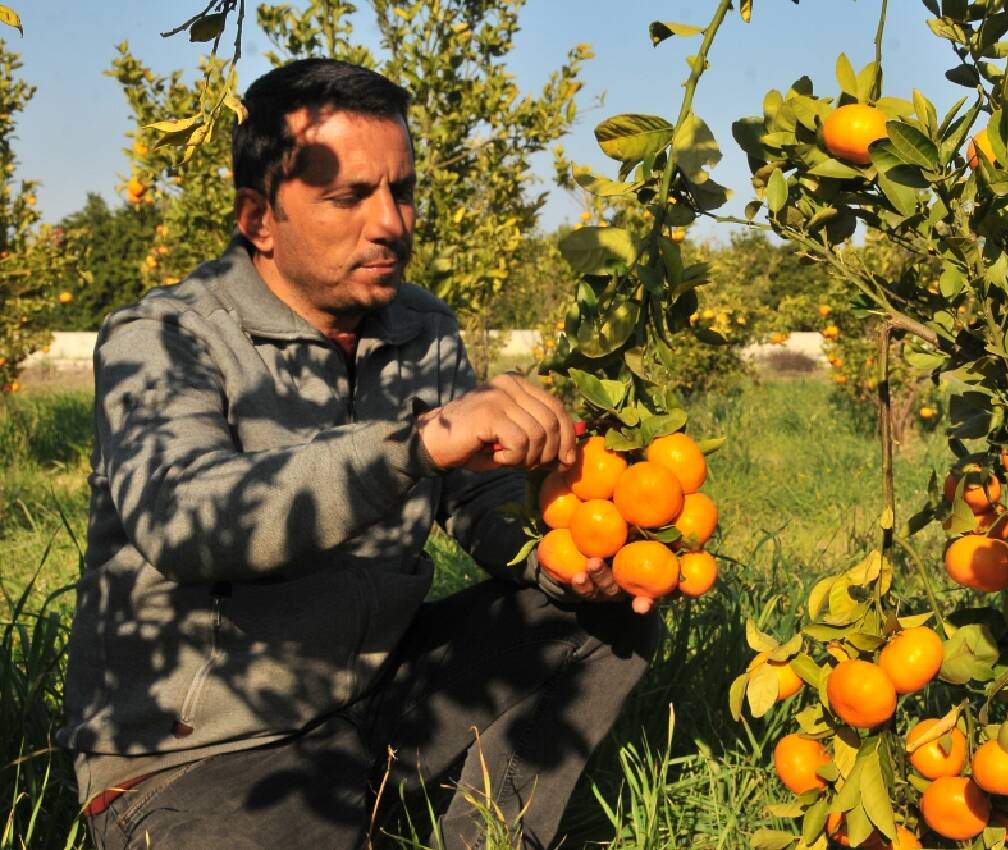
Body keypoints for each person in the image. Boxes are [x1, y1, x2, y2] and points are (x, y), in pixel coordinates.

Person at [57, 58, 660, 850]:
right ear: (259, 218)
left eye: (401, 192)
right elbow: (187, 520)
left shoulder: (420, 329)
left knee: (605, 618)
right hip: (188, 759)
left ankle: (494, 838)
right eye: (349, 197)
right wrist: (415, 444)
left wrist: (560, 560)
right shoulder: (166, 337)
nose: (391, 223)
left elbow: (475, 505)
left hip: (367, 702)